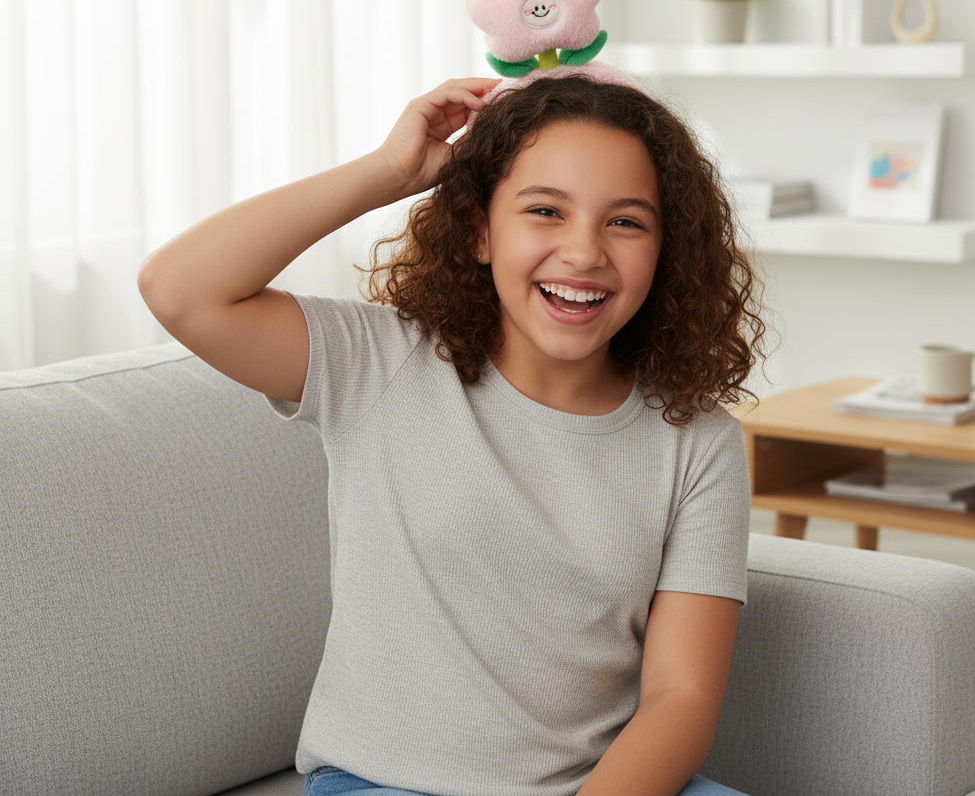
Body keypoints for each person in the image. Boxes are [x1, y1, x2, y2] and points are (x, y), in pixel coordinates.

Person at [137, 72, 766, 796]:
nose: (585, 252)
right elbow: (179, 288)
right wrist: (390, 171)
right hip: (383, 784)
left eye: (626, 221)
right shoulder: (378, 363)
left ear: (666, 251)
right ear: (478, 231)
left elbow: (679, 699)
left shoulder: (698, 441)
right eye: (545, 210)